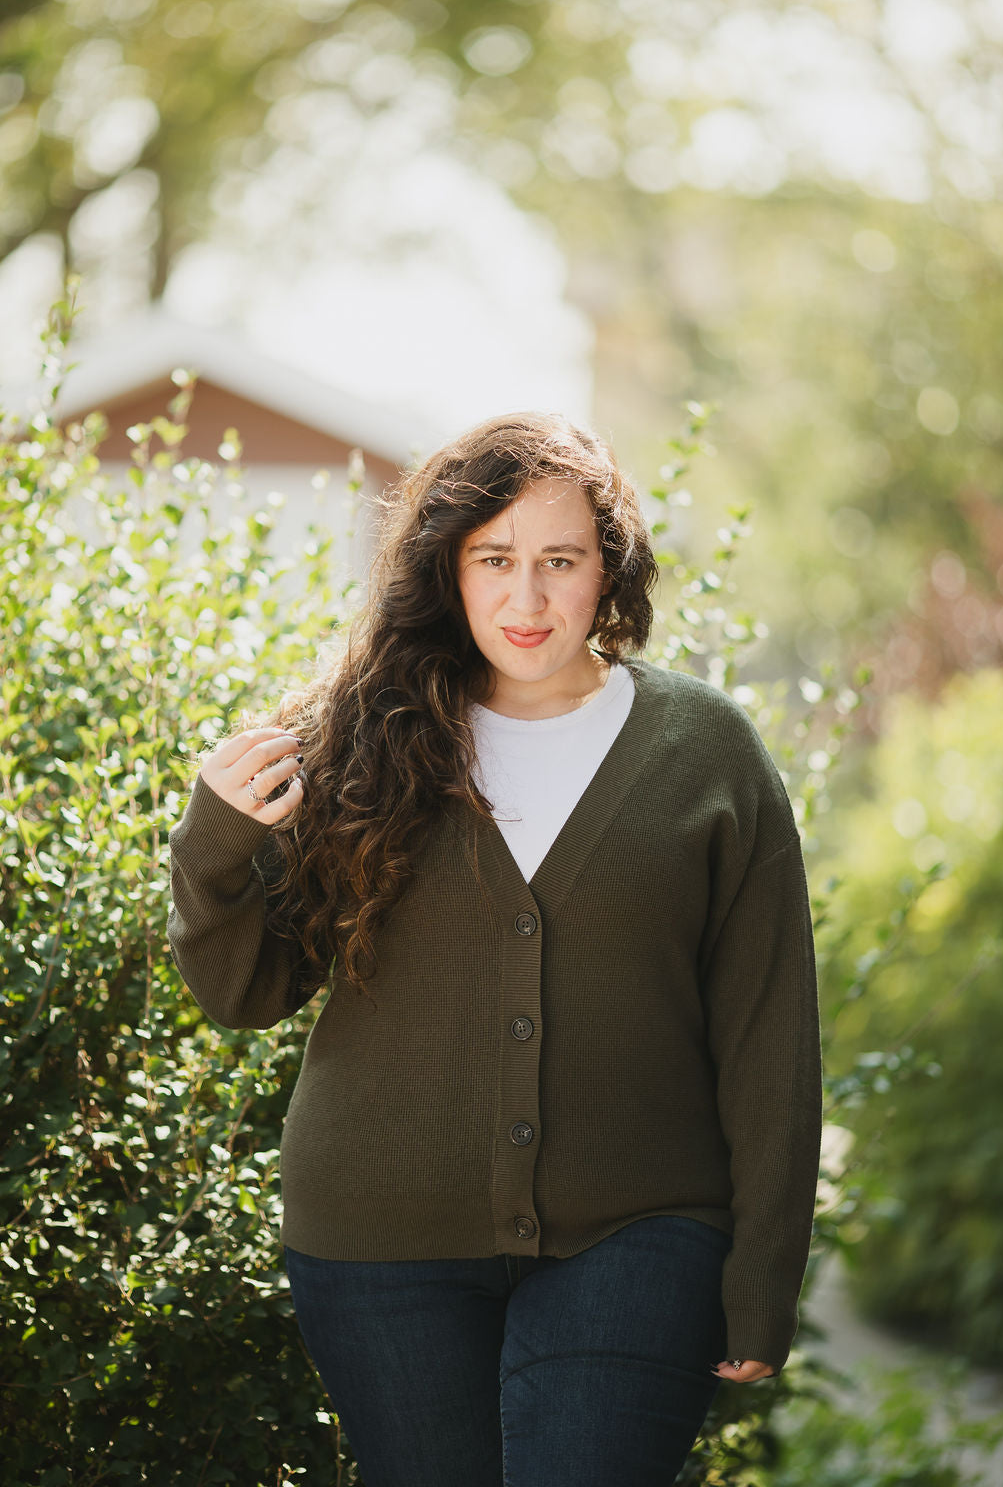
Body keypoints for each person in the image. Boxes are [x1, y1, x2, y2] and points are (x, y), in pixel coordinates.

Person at [167, 411, 823, 1487]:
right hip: (379, 1243)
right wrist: (215, 844)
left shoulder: (706, 753)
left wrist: (762, 1274)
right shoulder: (354, 740)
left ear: (607, 568)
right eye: (495, 560)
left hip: (640, 1228)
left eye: (559, 561)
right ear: (448, 571)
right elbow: (249, 988)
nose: (527, 599)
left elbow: (769, 1036)